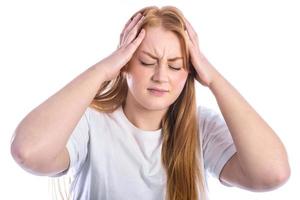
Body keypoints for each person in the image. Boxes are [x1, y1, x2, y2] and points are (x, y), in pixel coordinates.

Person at [10, 5, 290, 200]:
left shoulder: (201, 127)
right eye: (147, 62)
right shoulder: (90, 123)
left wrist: (214, 79)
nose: (160, 77)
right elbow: (28, 151)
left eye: (175, 65)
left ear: (190, 71)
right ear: (125, 64)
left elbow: (273, 173)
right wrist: (103, 70)